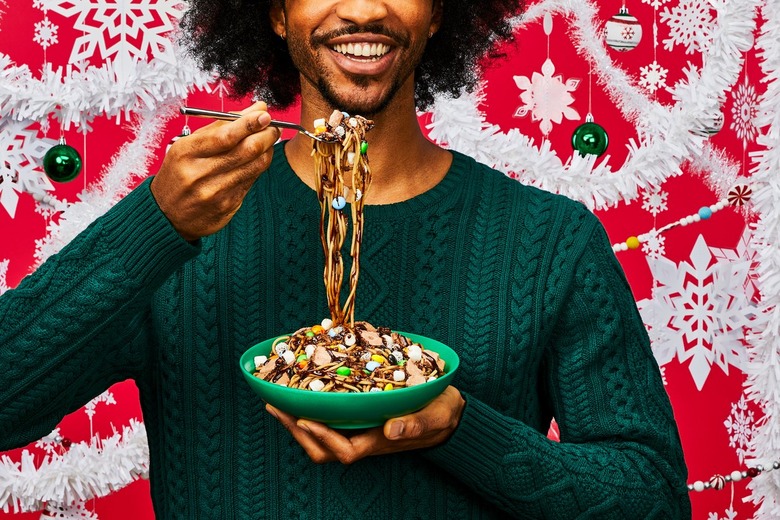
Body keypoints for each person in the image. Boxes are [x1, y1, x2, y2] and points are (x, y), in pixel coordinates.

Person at [0, 0, 692, 518]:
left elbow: (653, 498)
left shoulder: (549, 240)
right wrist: (155, 225)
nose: (362, 10)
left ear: (438, 12)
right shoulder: (189, 221)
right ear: (276, 11)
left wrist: (458, 428)